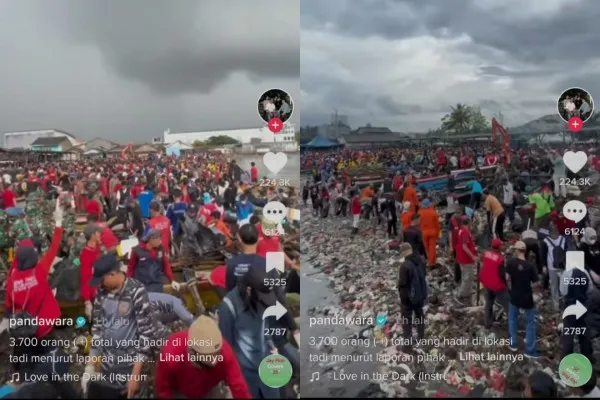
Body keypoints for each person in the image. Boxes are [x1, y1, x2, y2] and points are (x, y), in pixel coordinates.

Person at [83, 253, 168, 399]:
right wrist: (90, 365)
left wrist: (135, 376)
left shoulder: (136, 291)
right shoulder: (101, 293)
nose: (100, 284)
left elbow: (146, 335)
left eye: (102, 280)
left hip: (131, 364)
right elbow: (98, 328)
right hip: (109, 365)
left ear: (113, 273)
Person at [5, 208, 64, 374]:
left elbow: (9, 306)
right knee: (50, 356)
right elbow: (54, 247)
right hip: (43, 326)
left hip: (25, 329)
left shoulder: (12, 279)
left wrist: (7, 321)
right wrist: (58, 223)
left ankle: (27, 378)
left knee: (28, 358)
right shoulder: (39, 271)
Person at [219, 267, 293, 399]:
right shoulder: (228, 307)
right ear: (248, 291)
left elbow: (265, 327)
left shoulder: (263, 298)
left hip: (267, 364)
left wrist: (271, 345)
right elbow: (226, 346)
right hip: (245, 372)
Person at [154, 315, 251, 398]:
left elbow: (239, 388)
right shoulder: (171, 355)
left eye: (217, 353)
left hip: (208, 388)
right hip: (179, 391)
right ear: (192, 351)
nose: (215, 361)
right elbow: (163, 389)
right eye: (208, 356)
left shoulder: (226, 353)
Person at [506, 241, 539, 358]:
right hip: (527, 298)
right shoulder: (530, 266)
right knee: (530, 323)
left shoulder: (510, 262)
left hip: (514, 296)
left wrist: (512, 287)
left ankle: (513, 344)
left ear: (516, 250)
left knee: (512, 320)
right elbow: (536, 283)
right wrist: (528, 287)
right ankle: (529, 350)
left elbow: (507, 278)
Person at [559, 257, 595, 363]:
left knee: (569, 333)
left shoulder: (566, 273)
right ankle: (587, 356)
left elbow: (563, 291)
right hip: (582, 306)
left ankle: (567, 358)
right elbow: (590, 289)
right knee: (583, 332)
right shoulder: (585, 272)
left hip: (570, 306)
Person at [128, 229, 179, 293]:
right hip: (141, 283)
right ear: (151, 239)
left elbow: (165, 264)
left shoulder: (161, 249)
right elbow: (131, 267)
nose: (160, 241)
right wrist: (128, 282)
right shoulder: (137, 250)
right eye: (159, 239)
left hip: (156, 283)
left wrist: (172, 280)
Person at [397, 243, 427, 351]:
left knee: (406, 321)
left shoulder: (405, 266)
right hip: (420, 295)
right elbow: (424, 275)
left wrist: (403, 300)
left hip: (409, 299)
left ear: (404, 252)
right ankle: (421, 337)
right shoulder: (421, 260)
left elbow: (403, 284)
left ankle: (407, 346)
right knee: (420, 316)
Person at [479, 239, 509, 329]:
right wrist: (506, 285)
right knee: (508, 304)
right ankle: (513, 325)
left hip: (486, 282)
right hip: (497, 285)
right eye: (501, 245)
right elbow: (502, 274)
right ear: (498, 247)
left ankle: (487, 323)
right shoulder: (500, 259)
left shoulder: (486, 254)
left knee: (489, 303)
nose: (502, 247)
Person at [79, 224, 104, 319]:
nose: (100, 234)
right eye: (98, 232)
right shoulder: (86, 255)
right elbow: (85, 278)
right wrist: (87, 301)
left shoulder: (97, 247)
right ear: (93, 235)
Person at [542, 224, 567, 312]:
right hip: (562, 267)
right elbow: (566, 252)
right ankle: (564, 304)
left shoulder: (545, 241)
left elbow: (543, 255)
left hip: (552, 267)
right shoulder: (563, 239)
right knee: (564, 286)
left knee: (554, 287)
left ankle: (556, 306)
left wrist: (544, 266)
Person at [455, 215, 478, 305]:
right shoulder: (464, 232)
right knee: (467, 277)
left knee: (468, 275)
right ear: (469, 222)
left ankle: (466, 293)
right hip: (466, 259)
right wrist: (472, 256)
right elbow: (464, 246)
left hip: (462, 257)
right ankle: (460, 295)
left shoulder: (461, 230)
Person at [418, 199, 440, 267]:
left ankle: (429, 260)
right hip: (432, 232)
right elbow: (437, 225)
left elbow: (418, 224)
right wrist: (438, 235)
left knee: (426, 248)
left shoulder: (419, 212)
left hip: (423, 233)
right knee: (432, 247)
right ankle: (432, 262)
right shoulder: (433, 212)